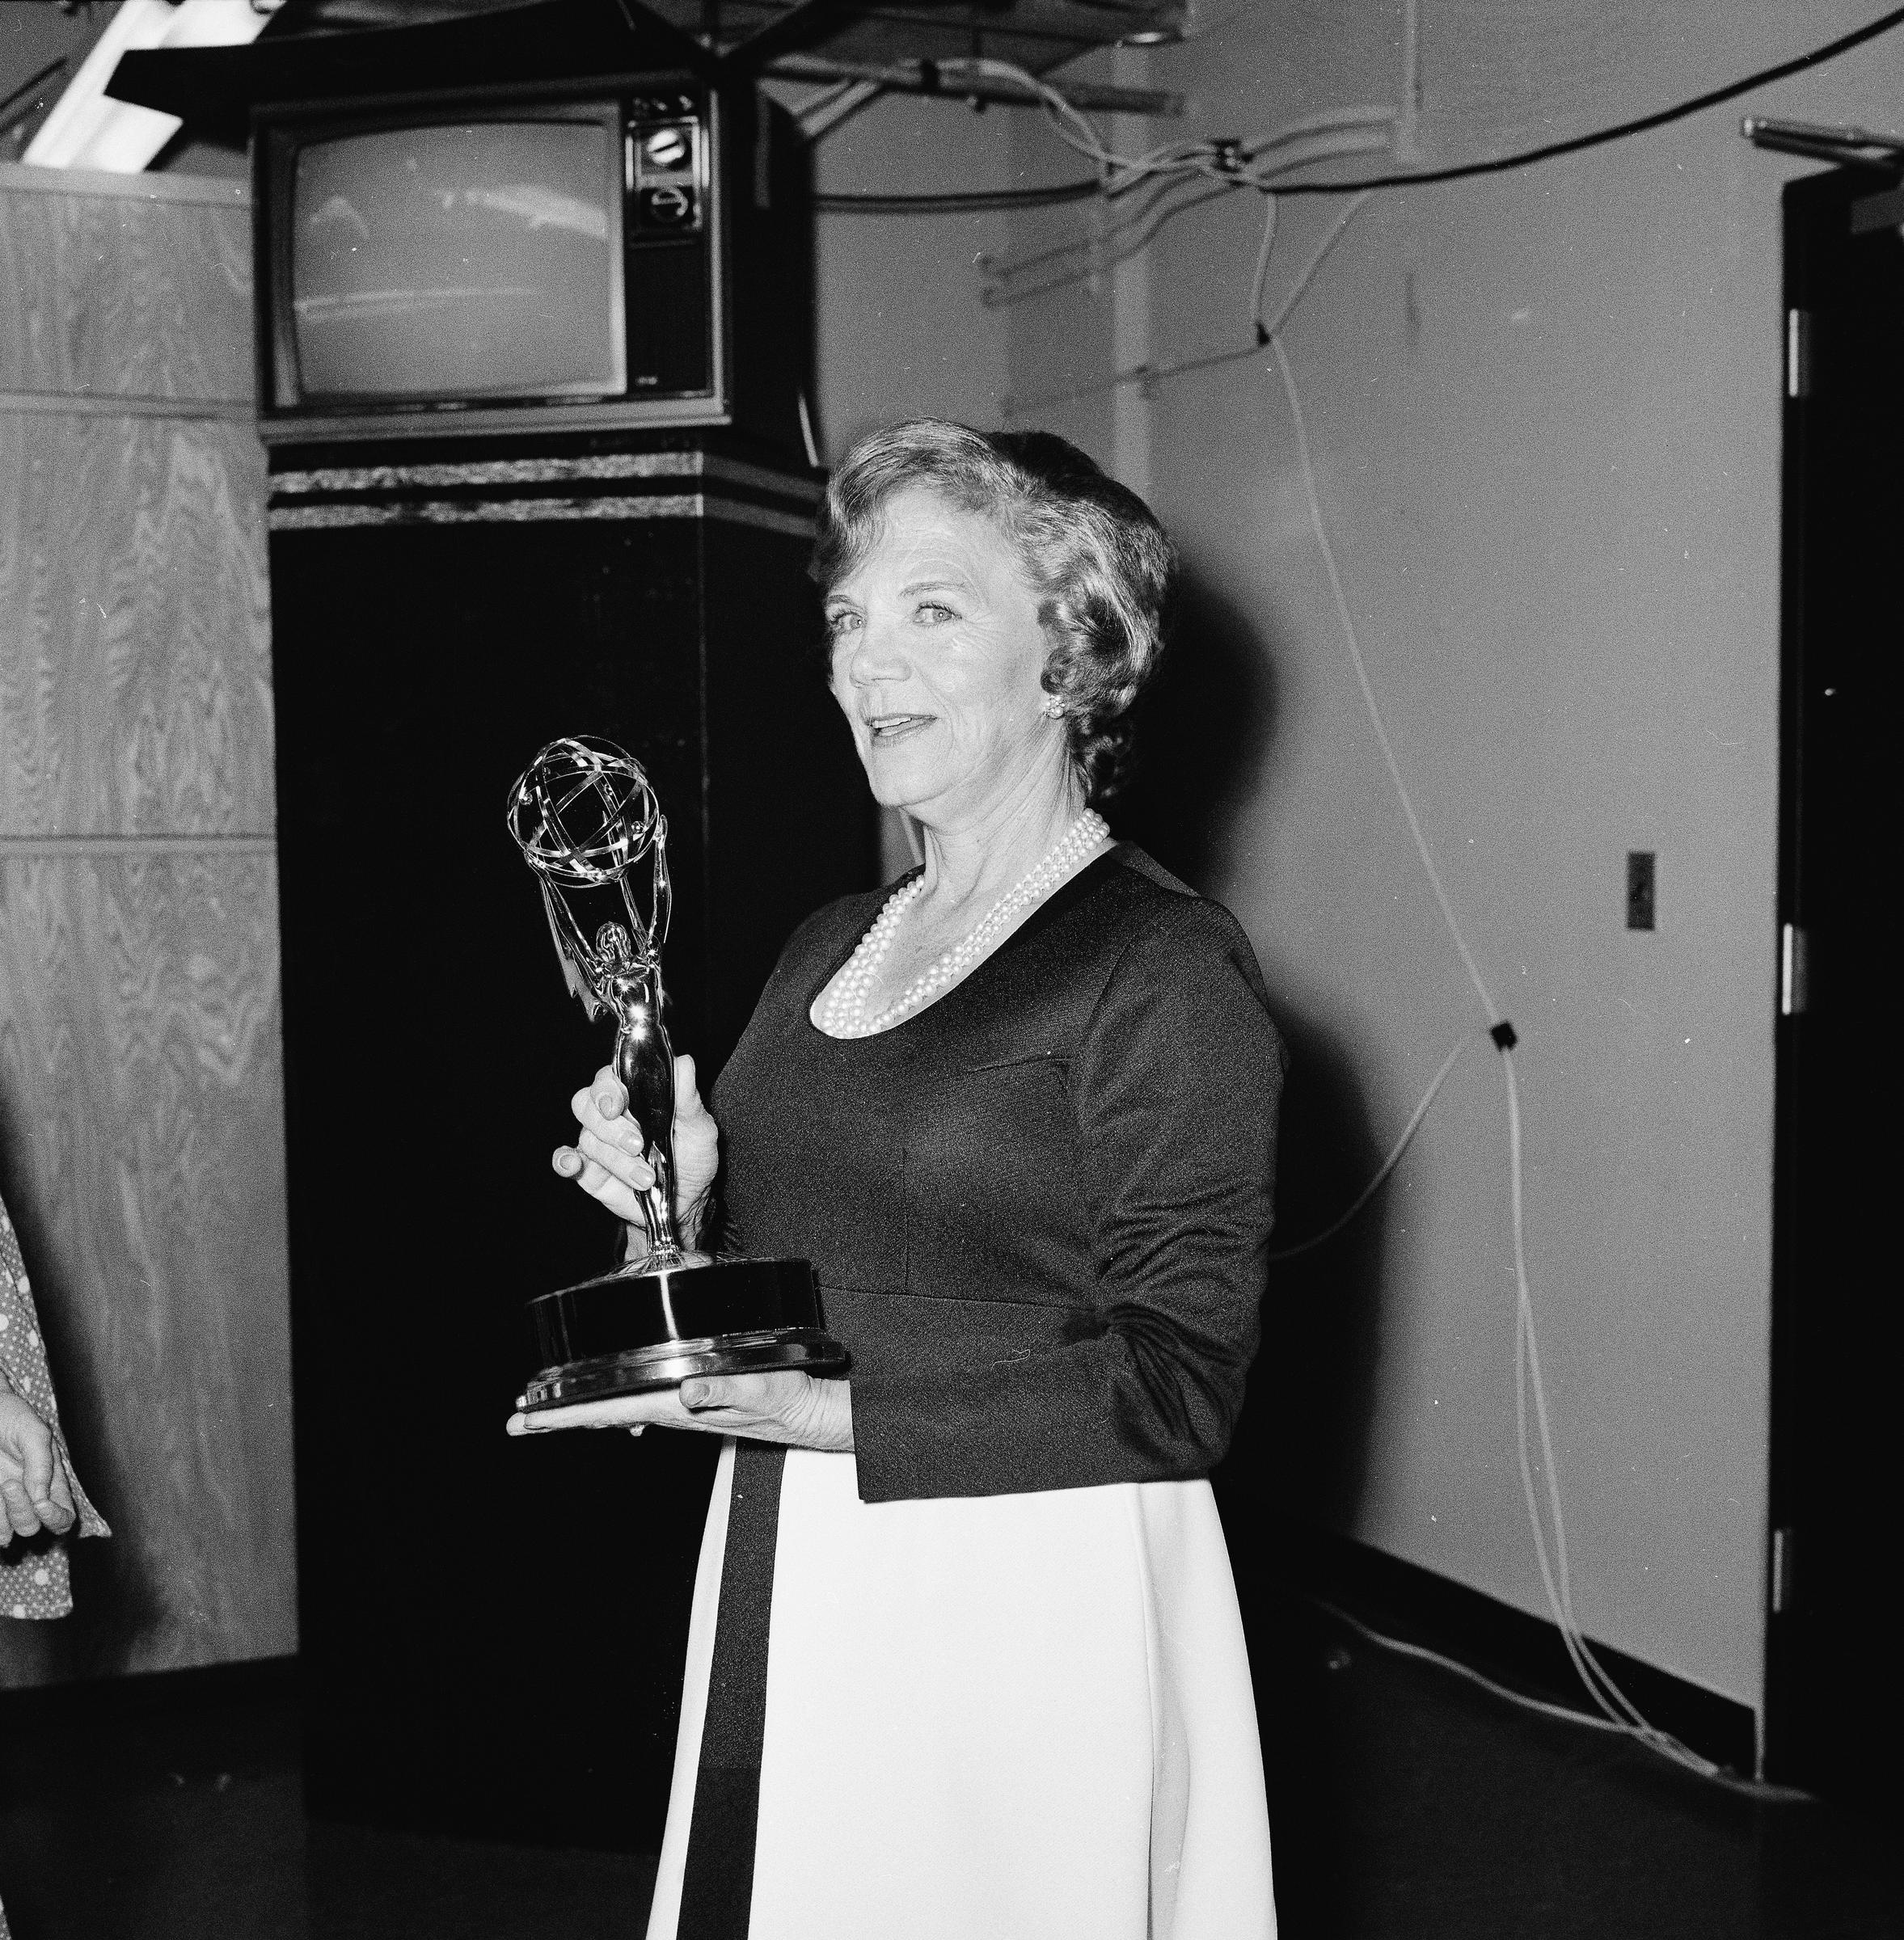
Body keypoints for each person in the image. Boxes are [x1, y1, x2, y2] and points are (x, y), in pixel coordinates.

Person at [511, 420, 1287, 1940]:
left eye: (933, 611)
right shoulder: (828, 941)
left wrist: (828, 1416)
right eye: (848, 620)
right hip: (801, 1554)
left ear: (1074, 654)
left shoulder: (1159, 965)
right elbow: (816, 1251)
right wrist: (678, 1200)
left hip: (1026, 1592)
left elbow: (1185, 1383)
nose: (868, 665)